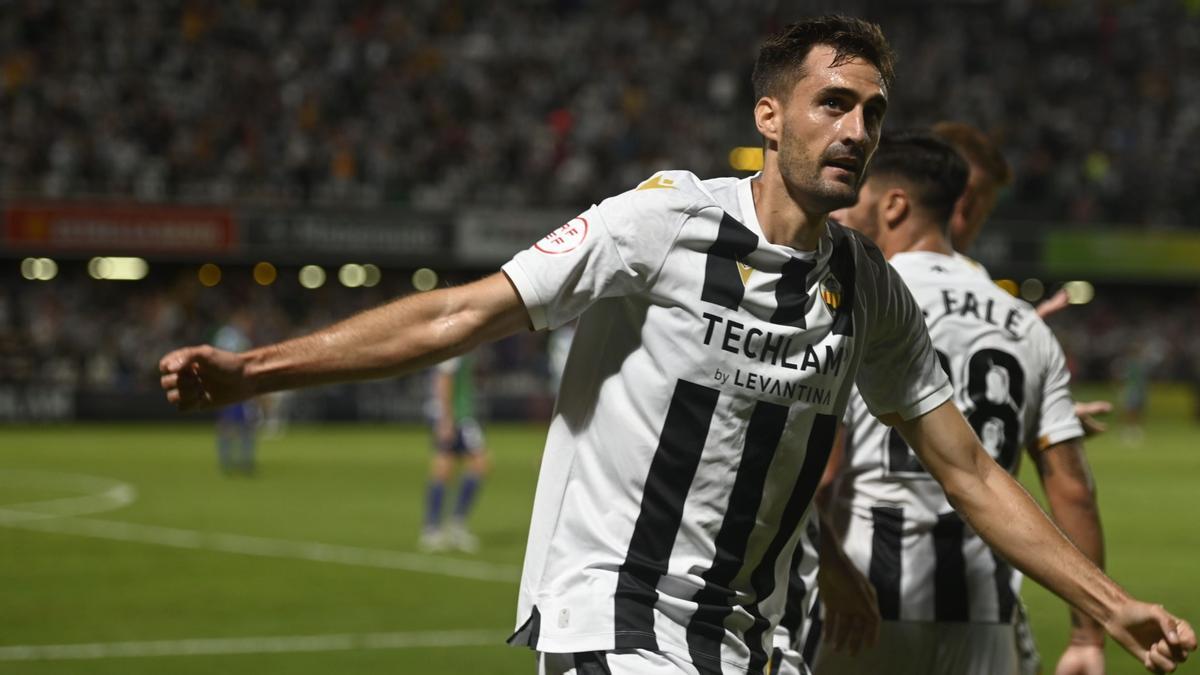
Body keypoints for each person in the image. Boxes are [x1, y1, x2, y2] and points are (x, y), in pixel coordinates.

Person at [159, 16, 1193, 675]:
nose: (856, 129)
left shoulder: (869, 290)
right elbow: (459, 314)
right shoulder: (659, 223)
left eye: (873, 112)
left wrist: (1111, 607)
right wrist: (255, 369)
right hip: (619, 617)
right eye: (833, 103)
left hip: (754, 639)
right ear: (770, 116)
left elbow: (968, 470)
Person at [804, 132, 1105, 674]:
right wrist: (1087, 635)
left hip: (865, 601)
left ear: (894, 205)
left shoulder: (855, 299)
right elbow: (1074, 492)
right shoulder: (1023, 323)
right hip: (984, 613)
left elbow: (819, 477)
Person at [420, 353, 489, 553]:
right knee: (462, 466)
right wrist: (446, 419)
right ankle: (442, 527)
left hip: (459, 415)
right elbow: (443, 379)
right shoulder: (454, 347)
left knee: (450, 466)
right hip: (456, 417)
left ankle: (439, 527)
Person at [212, 310, 258, 476]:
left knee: (244, 425)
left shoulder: (238, 336)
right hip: (231, 386)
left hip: (239, 387)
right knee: (229, 425)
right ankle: (231, 461)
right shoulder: (228, 335)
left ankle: (242, 461)